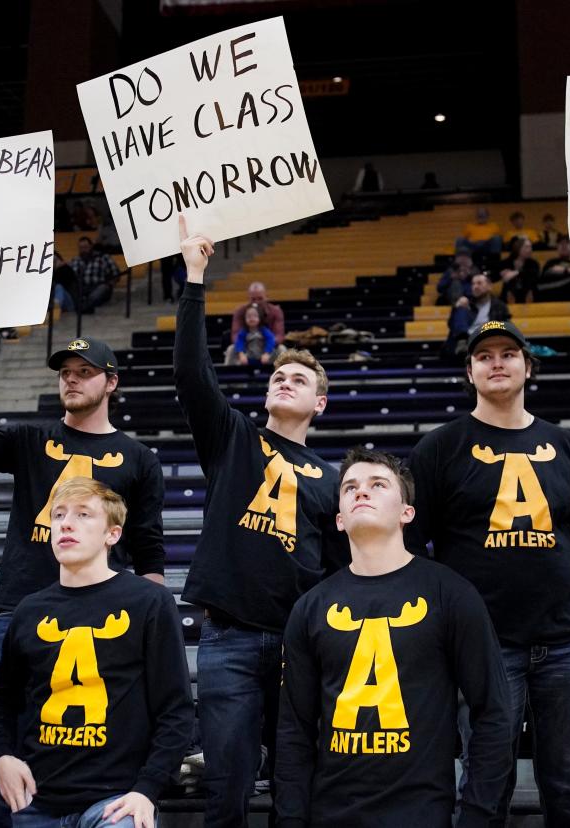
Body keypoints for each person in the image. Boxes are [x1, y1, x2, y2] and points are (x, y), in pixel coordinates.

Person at [0, 322, 166, 828]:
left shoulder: (139, 457)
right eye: (66, 372)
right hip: (20, 608)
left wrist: (155, 620)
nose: (72, 380)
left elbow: (147, 547)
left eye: (85, 373)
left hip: (105, 619)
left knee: (93, 739)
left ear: (112, 382)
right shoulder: (30, 437)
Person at [407, 320, 570, 826]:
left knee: (569, 792)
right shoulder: (439, 449)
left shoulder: (568, 448)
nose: (497, 362)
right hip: (483, 647)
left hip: (569, 643)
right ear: (470, 371)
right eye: (484, 356)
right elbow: (412, 550)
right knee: (483, 791)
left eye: (508, 353)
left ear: (528, 367)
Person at [174, 215, 347, 827]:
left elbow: (337, 570)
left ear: (319, 404)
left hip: (300, 645)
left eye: (299, 378)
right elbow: (193, 375)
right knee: (226, 788)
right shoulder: (233, 440)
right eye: (278, 374)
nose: (284, 379)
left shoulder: (334, 479)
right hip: (230, 638)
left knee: (297, 789)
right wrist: (195, 277)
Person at [275, 447, 513, 827]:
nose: (361, 492)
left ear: (407, 513)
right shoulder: (310, 607)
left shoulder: (450, 594)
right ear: (338, 519)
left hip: (421, 815)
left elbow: (494, 713)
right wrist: (290, 820)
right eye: (350, 487)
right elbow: (294, 730)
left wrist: (476, 816)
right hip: (330, 815)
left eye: (378, 484)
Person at [0, 478, 193, 828]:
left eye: (83, 514)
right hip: (38, 802)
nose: (66, 523)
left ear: (112, 534)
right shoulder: (29, 610)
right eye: (59, 515)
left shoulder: (148, 601)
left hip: (117, 801)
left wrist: (147, 790)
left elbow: (175, 708)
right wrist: (2, 756)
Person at [444, 273, 511, 360]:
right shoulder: (466, 303)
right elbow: (451, 325)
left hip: (488, 339)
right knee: (461, 307)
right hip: (466, 342)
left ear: (489, 286)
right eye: (473, 284)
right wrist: (456, 308)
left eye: (479, 283)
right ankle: (462, 342)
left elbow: (505, 324)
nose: (475, 287)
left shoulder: (499, 306)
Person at [63, 237, 120, 314]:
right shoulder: (75, 260)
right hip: (80, 288)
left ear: (91, 247)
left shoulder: (103, 257)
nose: (83, 250)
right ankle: (84, 306)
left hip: (97, 286)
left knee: (102, 288)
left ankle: (83, 307)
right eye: (81, 248)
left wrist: (110, 284)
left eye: (85, 247)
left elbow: (116, 273)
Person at [538, 237, 570, 302]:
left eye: (567, 243)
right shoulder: (551, 262)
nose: (564, 245)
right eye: (561, 243)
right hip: (553, 299)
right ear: (557, 247)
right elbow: (549, 272)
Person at [498, 238, 539, 304]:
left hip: (528, 293)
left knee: (529, 280)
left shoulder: (533, 263)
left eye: (531, 247)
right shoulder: (506, 263)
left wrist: (516, 272)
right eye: (527, 247)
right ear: (518, 248)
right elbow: (503, 277)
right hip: (508, 294)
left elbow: (534, 275)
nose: (530, 250)